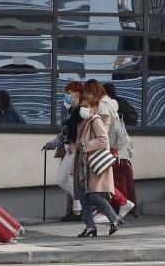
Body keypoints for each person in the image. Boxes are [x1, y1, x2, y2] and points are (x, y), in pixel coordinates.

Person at [73, 90, 121, 238]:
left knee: (94, 196)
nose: (83, 109)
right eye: (82, 106)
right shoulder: (84, 123)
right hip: (83, 165)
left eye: (86, 106)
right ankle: (90, 227)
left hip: (94, 164)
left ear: (94, 108)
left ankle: (114, 218)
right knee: (83, 196)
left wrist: (85, 145)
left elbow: (103, 140)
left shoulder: (96, 121)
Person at [43, 81, 85, 222]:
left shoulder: (81, 110)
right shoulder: (71, 109)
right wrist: (53, 143)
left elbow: (82, 130)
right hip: (67, 147)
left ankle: (79, 210)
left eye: (68, 93)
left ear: (77, 93)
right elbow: (65, 131)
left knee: (70, 180)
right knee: (63, 180)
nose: (66, 95)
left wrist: (74, 143)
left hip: (74, 148)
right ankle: (82, 204)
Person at [103, 83, 138, 218]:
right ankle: (119, 204)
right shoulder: (118, 102)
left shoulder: (108, 104)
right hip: (114, 145)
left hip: (109, 146)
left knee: (103, 179)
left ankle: (116, 205)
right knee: (104, 179)